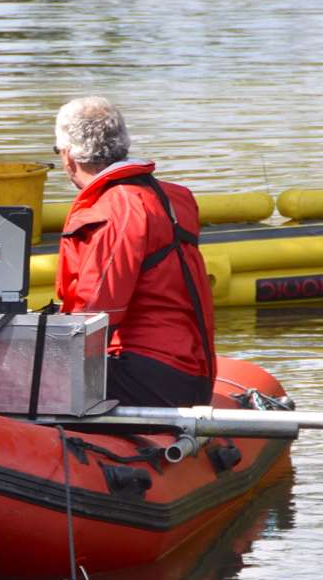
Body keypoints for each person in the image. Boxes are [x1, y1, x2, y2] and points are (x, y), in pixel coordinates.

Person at [53, 96, 216, 407]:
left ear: (69, 155)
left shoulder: (119, 207)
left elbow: (94, 311)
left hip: (148, 372)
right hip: (192, 369)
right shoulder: (174, 197)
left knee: (12, 382)